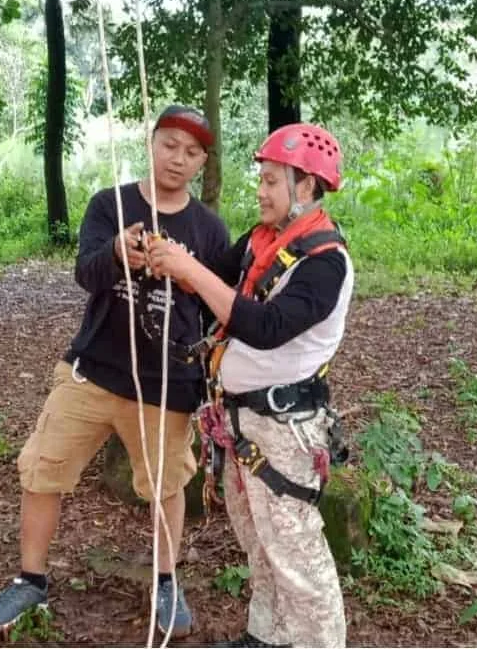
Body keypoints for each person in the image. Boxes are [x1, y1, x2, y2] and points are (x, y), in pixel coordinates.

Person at [0, 105, 230, 638]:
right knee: (43, 468)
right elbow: (84, 274)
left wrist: (185, 275)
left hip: (167, 383)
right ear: (151, 142)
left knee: (166, 486)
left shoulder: (210, 229)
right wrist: (118, 252)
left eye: (191, 153)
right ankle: (31, 581)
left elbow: (217, 306)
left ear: (203, 161)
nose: (178, 159)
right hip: (91, 369)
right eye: (169, 145)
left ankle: (165, 582)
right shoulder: (109, 204)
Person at [147, 123, 354, 648]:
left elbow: (263, 328)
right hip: (244, 422)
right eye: (260, 179)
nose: (259, 191)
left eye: (270, 181)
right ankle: (267, 635)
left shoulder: (325, 262)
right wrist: (166, 256)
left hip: (285, 430)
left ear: (306, 187)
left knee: (297, 553)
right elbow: (215, 273)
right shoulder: (264, 241)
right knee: (260, 543)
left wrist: (189, 270)